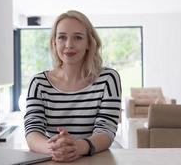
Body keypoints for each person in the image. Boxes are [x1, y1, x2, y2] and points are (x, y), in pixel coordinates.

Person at [24, 10, 121, 162]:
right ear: (54, 43)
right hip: (54, 158)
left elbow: (106, 129)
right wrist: (55, 149)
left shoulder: (108, 79)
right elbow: (32, 131)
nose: (69, 45)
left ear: (89, 43)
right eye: (62, 37)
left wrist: (77, 147)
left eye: (78, 37)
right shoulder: (38, 83)